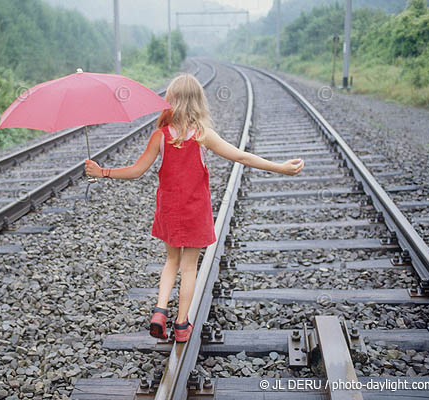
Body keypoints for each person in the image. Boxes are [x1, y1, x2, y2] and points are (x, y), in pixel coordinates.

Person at [85, 74, 304, 343]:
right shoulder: (203, 136)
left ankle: (160, 310)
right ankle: (180, 324)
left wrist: (103, 172)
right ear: (198, 103)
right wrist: (279, 167)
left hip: (169, 210)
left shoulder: (160, 136)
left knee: (170, 261)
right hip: (194, 211)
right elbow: (241, 156)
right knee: (189, 267)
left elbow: (136, 171)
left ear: (170, 102)